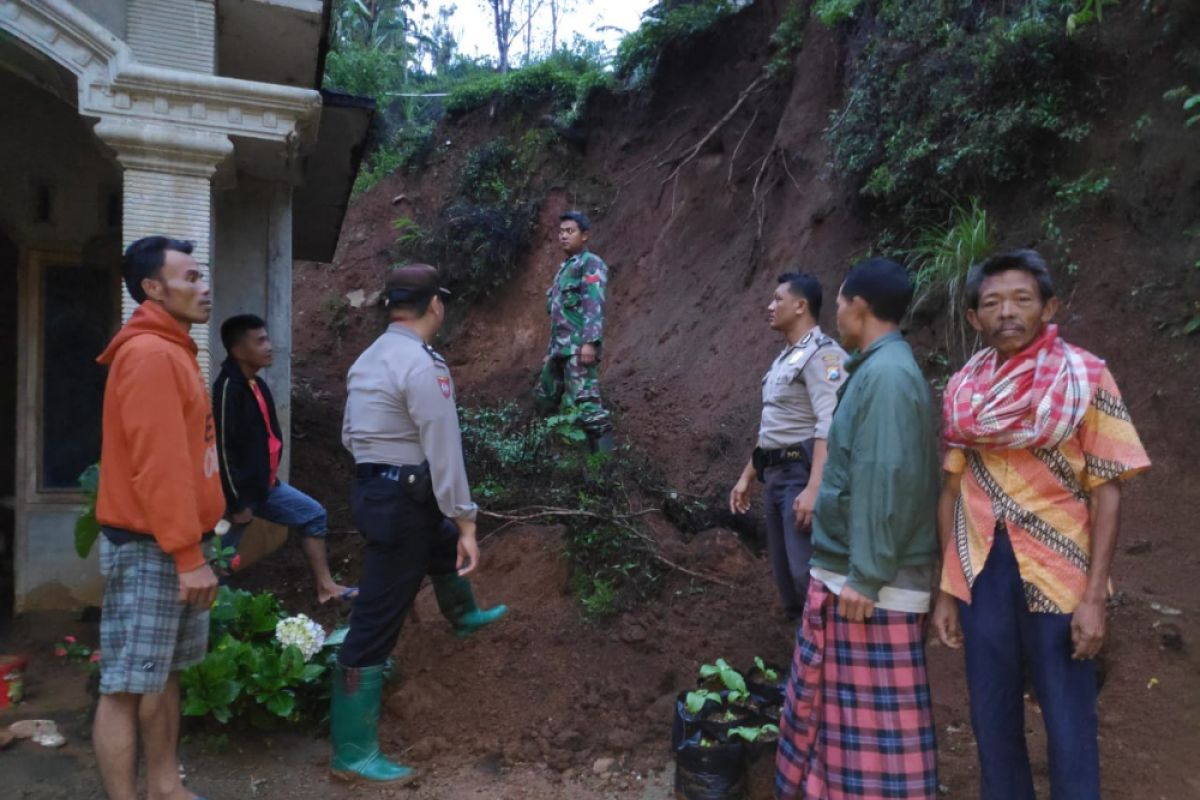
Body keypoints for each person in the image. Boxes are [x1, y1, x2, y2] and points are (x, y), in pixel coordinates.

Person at [931, 250, 1150, 800]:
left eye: (1022, 299)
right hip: (982, 569)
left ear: (1049, 307)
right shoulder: (963, 390)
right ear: (973, 318)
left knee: (1069, 717)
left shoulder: (1086, 377)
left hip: (1061, 572)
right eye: (992, 302)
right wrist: (945, 589)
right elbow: (952, 489)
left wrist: (1095, 596)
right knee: (991, 714)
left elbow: (1108, 490)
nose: (1007, 311)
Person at [333, 264, 508, 784]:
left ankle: (462, 615)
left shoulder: (368, 359)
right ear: (436, 305)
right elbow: (443, 447)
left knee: (440, 539)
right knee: (377, 616)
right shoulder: (422, 364)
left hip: (374, 487)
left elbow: (349, 434)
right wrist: (468, 517)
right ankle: (352, 753)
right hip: (403, 498)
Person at [776, 258, 940, 800]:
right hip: (851, 572)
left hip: (872, 584)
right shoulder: (873, 368)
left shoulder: (888, 377)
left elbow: (884, 476)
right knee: (841, 721)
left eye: (841, 302)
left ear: (859, 307)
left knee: (873, 737)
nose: (837, 313)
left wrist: (866, 577)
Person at [93, 236, 225, 800]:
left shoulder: (173, 350)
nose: (204, 287)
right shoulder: (149, 355)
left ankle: (165, 788)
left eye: (202, 276)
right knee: (125, 685)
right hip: (155, 548)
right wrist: (188, 556)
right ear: (153, 288)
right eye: (191, 277)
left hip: (173, 544)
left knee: (163, 675)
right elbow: (160, 467)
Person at [212, 314, 356, 604]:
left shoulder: (256, 384)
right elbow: (222, 450)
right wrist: (238, 502)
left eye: (267, 339)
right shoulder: (229, 389)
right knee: (219, 561)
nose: (269, 346)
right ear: (238, 350)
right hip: (239, 496)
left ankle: (326, 588)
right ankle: (210, 623)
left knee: (313, 515)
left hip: (265, 487)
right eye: (260, 341)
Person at [730, 272, 847, 620]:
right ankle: (805, 667)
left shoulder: (823, 356)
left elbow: (831, 422)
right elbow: (773, 428)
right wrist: (747, 476)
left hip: (801, 473)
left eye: (778, 299)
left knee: (807, 575)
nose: (770, 306)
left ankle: (831, 662)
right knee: (787, 582)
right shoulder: (785, 360)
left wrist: (815, 487)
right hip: (776, 476)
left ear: (801, 306)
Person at [535, 210, 614, 452]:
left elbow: (593, 304)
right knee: (544, 399)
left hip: (578, 350)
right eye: (561, 232)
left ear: (585, 235)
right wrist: (550, 351)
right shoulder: (564, 270)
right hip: (560, 350)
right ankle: (550, 460)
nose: (563, 236)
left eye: (570, 231)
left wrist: (590, 343)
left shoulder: (591, 263)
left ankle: (603, 471)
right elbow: (559, 317)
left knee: (589, 407)